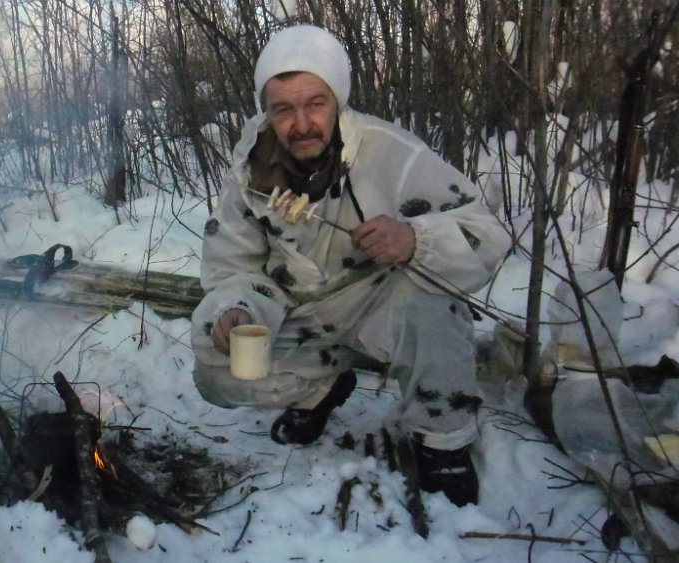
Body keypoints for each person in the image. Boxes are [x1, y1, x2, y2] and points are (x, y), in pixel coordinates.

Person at [191, 25, 511, 507]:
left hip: (379, 303)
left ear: (337, 100)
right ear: (268, 113)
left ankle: (443, 439)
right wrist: (236, 309)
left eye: (315, 103)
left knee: (433, 302)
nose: (301, 123)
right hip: (300, 310)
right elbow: (232, 266)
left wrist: (415, 240)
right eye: (284, 109)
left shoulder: (392, 154)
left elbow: (487, 234)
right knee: (216, 370)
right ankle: (318, 389)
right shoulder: (250, 175)